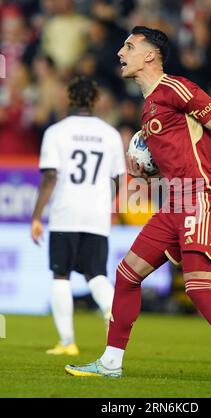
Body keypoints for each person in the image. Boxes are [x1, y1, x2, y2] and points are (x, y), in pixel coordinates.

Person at [65, 27, 211, 383]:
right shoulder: (149, 107)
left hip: (201, 194)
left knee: (198, 287)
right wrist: (146, 173)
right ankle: (110, 362)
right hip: (175, 200)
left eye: (129, 46)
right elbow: (175, 161)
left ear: (150, 55)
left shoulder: (176, 88)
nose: (120, 53)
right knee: (126, 275)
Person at [31, 76, 126, 355]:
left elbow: (50, 176)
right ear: (96, 101)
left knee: (61, 274)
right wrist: (105, 203)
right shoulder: (110, 134)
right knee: (96, 274)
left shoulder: (57, 132)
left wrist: (36, 216)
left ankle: (67, 342)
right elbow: (118, 178)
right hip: (97, 214)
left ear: (68, 98)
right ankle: (114, 314)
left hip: (65, 212)